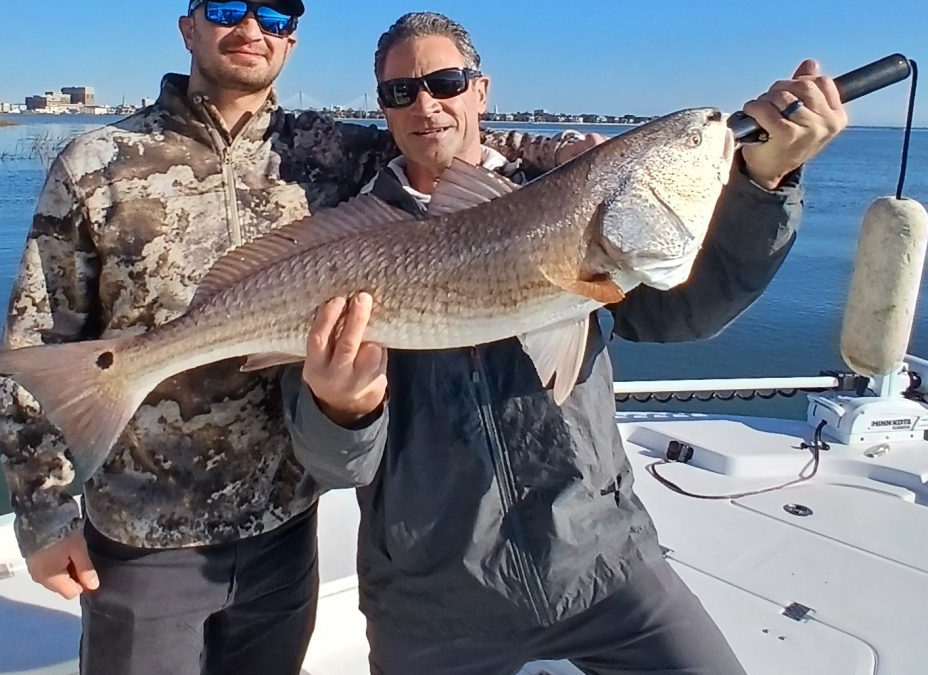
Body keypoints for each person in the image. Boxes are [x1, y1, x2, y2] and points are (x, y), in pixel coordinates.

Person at [0, 3, 580, 674]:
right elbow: (37, 341)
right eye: (225, 9)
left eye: (273, 14)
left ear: (291, 39)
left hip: (284, 530)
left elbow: (454, 134)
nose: (250, 29)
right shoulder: (98, 162)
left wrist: (570, 156)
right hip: (143, 534)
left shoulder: (339, 154)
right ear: (189, 27)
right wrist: (42, 511)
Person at [283, 11, 848, 675]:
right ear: (382, 106)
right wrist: (341, 407)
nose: (426, 103)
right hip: (430, 598)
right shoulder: (341, 244)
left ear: (480, 90)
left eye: (445, 81)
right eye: (400, 91)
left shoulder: (569, 197)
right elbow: (334, 466)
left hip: (603, 562)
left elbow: (683, 314)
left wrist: (763, 185)